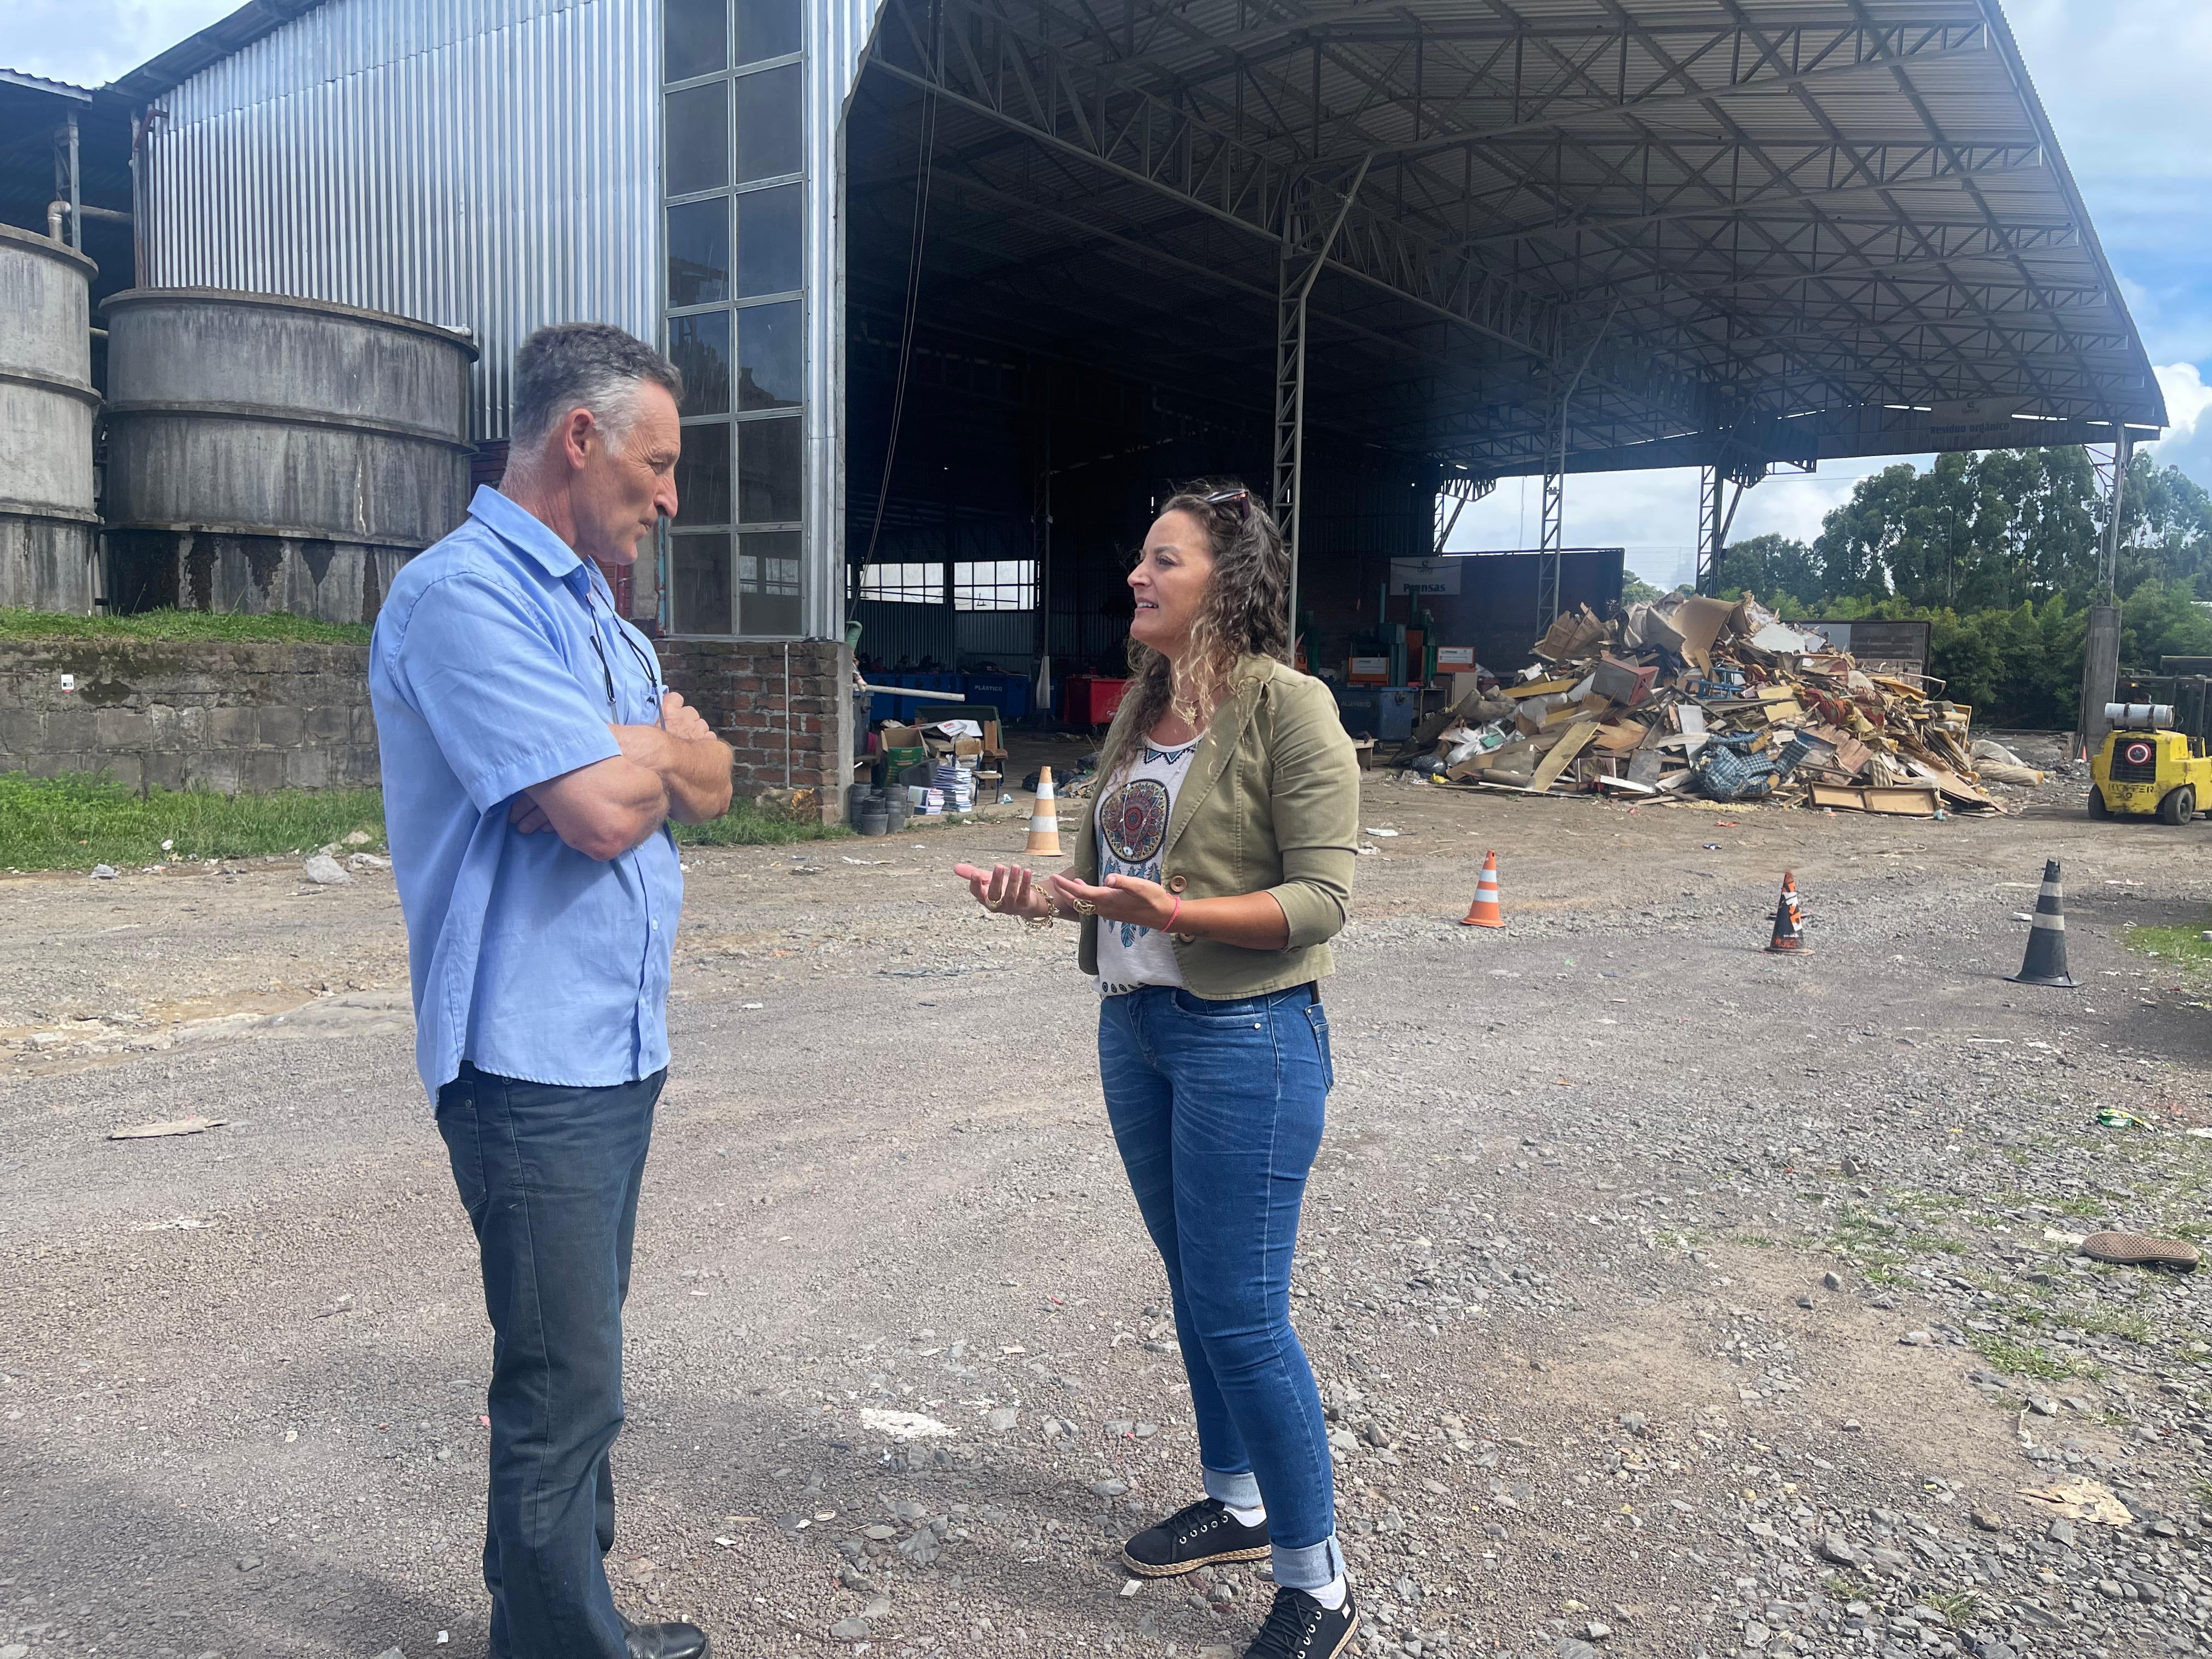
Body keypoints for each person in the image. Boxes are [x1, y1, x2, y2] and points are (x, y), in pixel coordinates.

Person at [370, 323, 733, 1659]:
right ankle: (560, 1646)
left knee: (575, 1363)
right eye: (662, 460)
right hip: (529, 1062)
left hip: (611, 1045)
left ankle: (557, 1615)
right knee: (563, 1379)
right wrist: (637, 762)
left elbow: (714, 777)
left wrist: (651, 757)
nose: (673, 494)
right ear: (579, 439)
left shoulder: (592, 612)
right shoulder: (462, 599)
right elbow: (593, 811)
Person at [953, 482, 1362, 1658]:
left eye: (1162, 561)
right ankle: (1237, 1503)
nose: (1137, 576)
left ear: (1223, 585)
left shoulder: (1293, 709)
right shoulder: (1139, 714)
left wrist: (1177, 910)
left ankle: (1319, 1578)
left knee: (1241, 1316)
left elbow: (1323, 900)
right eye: (1140, 558)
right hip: (1135, 1031)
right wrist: (1036, 900)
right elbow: (1110, 892)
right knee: (1196, 1294)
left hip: (1250, 1038)